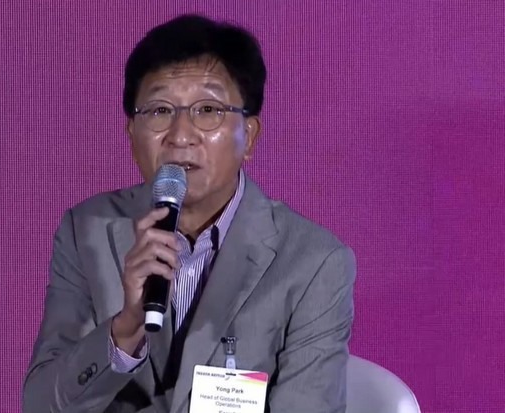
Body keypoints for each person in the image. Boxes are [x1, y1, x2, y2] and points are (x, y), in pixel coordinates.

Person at [23, 14, 356, 413]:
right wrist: (124, 330)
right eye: (159, 111)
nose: (181, 136)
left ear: (249, 136)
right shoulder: (87, 232)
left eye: (208, 110)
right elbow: (40, 405)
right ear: (131, 136)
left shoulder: (313, 262)